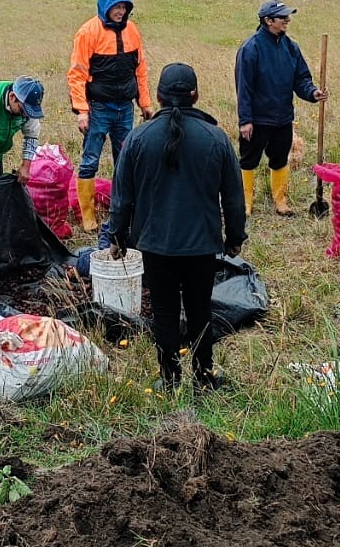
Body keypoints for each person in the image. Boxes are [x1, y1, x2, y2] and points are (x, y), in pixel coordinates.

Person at [103, 63, 247, 393]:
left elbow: (122, 195)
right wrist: (235, 238)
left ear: (158, 96)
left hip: (156, 246)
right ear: (195, 95)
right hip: (202, 246)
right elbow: (235, 198)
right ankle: (204, 376)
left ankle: (169, 379)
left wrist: (117, 236)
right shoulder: (216, 138)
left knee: (165, 312)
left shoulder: (138, 138)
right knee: (200, 309)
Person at [67, 0, 153, 232]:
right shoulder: (87, 32)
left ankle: (123, 210)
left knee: (125, 160)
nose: (120, 11)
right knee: (90, 160)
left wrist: (145, 104)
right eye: (116, 7)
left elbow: (141, 71)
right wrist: (82, 111)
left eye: (124, 7)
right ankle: (87, 215)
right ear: (105, 8)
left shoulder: (133, 31)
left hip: (125, 108)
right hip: (99, 108)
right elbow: (77, 74)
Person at [234, 0, 328, 217]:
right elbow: (244, 87)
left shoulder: (291, 47)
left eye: (288, 16)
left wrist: (313, 93)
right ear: (268, 21)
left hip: (283, 118)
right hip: (256, 120)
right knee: (249, 161)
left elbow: (301, 79)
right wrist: (245, 120)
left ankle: (281, 201)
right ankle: (245, 203)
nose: (288, 20)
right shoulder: (250, 49)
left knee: (279, 159)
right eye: (283, 17)